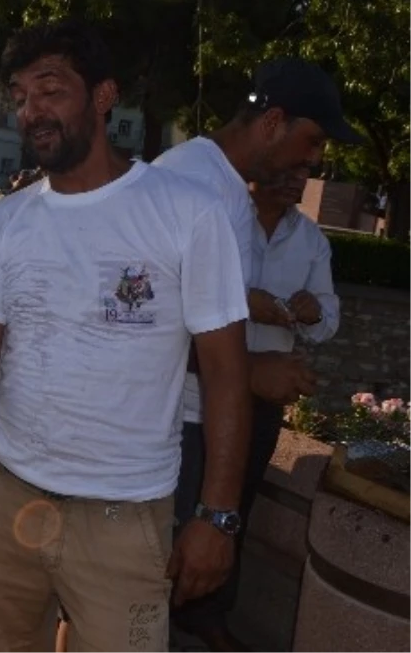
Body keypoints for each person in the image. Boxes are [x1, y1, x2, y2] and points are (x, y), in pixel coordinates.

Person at [0, 20, 253, 652]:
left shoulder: (187, 213)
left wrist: (218, 517)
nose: (31, 111)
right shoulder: (9, 222)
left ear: (102, 95)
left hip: (124, 516)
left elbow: (228, 372)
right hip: (6, 500)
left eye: (51, 89)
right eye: (19, 96)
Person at [154, 58, 360, 651]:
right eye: (313, 140)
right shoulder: (198, 188)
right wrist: (252, 369)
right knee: (137, 587)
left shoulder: (218, 189)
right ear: (274, 121)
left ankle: (189, 619)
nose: (315, 160)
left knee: (174, 562)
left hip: (211, 405)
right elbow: (144, 326)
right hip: (172, 417)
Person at [170, 168, 341, 651]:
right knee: (180, 509)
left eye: (305, 173)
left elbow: (329, 317)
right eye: (284, 170)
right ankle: (156, 609)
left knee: (232, 515)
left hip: (261, 404)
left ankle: (205, 615)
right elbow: (182, 293)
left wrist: (313, 312)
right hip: (194, 398)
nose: (295, 181)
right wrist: (246, 304)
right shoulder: (220, 218)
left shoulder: (310, 239)